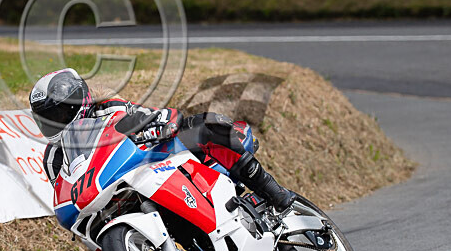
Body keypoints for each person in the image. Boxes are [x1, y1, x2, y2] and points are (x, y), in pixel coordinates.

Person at [29, 68, 295, 211]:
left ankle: (273, 192)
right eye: (48, 118)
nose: (57, 122)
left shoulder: (108, 106)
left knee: (205, 126)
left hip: (156, 159)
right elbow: (67, 193)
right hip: (118, 193)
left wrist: (160, 124)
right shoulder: (53, 158)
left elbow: (148, 116)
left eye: (61, 113)